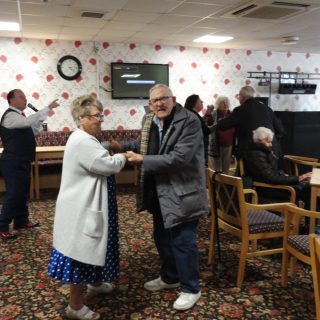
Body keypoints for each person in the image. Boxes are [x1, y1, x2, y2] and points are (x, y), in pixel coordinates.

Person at [124, 84, 208, 311]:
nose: (159, 104)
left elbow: (179, 158)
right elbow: (142, 145)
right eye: (154, 101)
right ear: (149, 104)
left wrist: (142, 160)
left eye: (164, 99)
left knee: (183, 241)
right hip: (158, 192)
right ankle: (170, 277)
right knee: (161, 237)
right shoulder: (149, 119)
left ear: (174, 99)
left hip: (183, 192)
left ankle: (191, 288)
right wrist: (116, 146)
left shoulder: (190, 121)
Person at [47, 95, 127, 320]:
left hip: (88, 204)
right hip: (82, 208)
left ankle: (96, 284)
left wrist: (110, 149)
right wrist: (122, 156)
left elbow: (97, 154)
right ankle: (75, 306)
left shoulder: (83, 138)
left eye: (101, 115)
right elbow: (105, 164)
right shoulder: (83, 140)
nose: (100, 120)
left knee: (95, 246)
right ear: (81, 118)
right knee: (80, 254)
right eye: (96, 116)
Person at [0, 89, 59, 240]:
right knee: (13, 193)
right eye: (21, 97)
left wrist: (39, 122)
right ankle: (3, 226)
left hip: (22, 160)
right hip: (12, 161)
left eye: (25, 98)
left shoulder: (20, 116)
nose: (25, 100)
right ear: (11, 100)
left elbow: (32, 130)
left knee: (22, 192)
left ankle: (21, 220)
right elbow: (27, 123)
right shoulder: (10, 116)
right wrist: (47, 108)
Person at [243, 127, 311, 207]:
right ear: (260, 141)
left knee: (308, 186)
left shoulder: (260, 152)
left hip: (271, 186)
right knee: (308, 188)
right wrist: (299, 178)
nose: (271, 145)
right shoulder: (256, 155)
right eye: (268, 142)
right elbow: (270, 177)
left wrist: (283, 174)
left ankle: (310, 217)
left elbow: (269, 173)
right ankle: (311, 217)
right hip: (268, 190)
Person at [217, 86, 285, 159]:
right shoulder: (267, 108)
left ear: (241, 97)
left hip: (251, 155)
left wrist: (220, 115)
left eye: (238, 96)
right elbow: (281, 131)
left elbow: (223, 125)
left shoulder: (240, 110)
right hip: (271, 153)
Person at [204, 96, 235, 173]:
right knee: (215, 170)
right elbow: (206, 125)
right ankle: (215, 184)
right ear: (218, 104)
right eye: (222, 102)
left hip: (229, 145)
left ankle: (224, 184)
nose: (225, 104)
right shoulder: (213, 114)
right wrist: (208, 114)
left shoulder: (231, 114)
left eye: (227, 102)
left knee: (225, 169)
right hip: (215, 145)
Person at [184, 94, 210, 167]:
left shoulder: (191, 114)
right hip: (197, 150)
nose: (202, 102)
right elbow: (205, 130)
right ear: (194, 103)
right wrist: (218, 125)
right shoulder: (192, 116)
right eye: (200, 101)